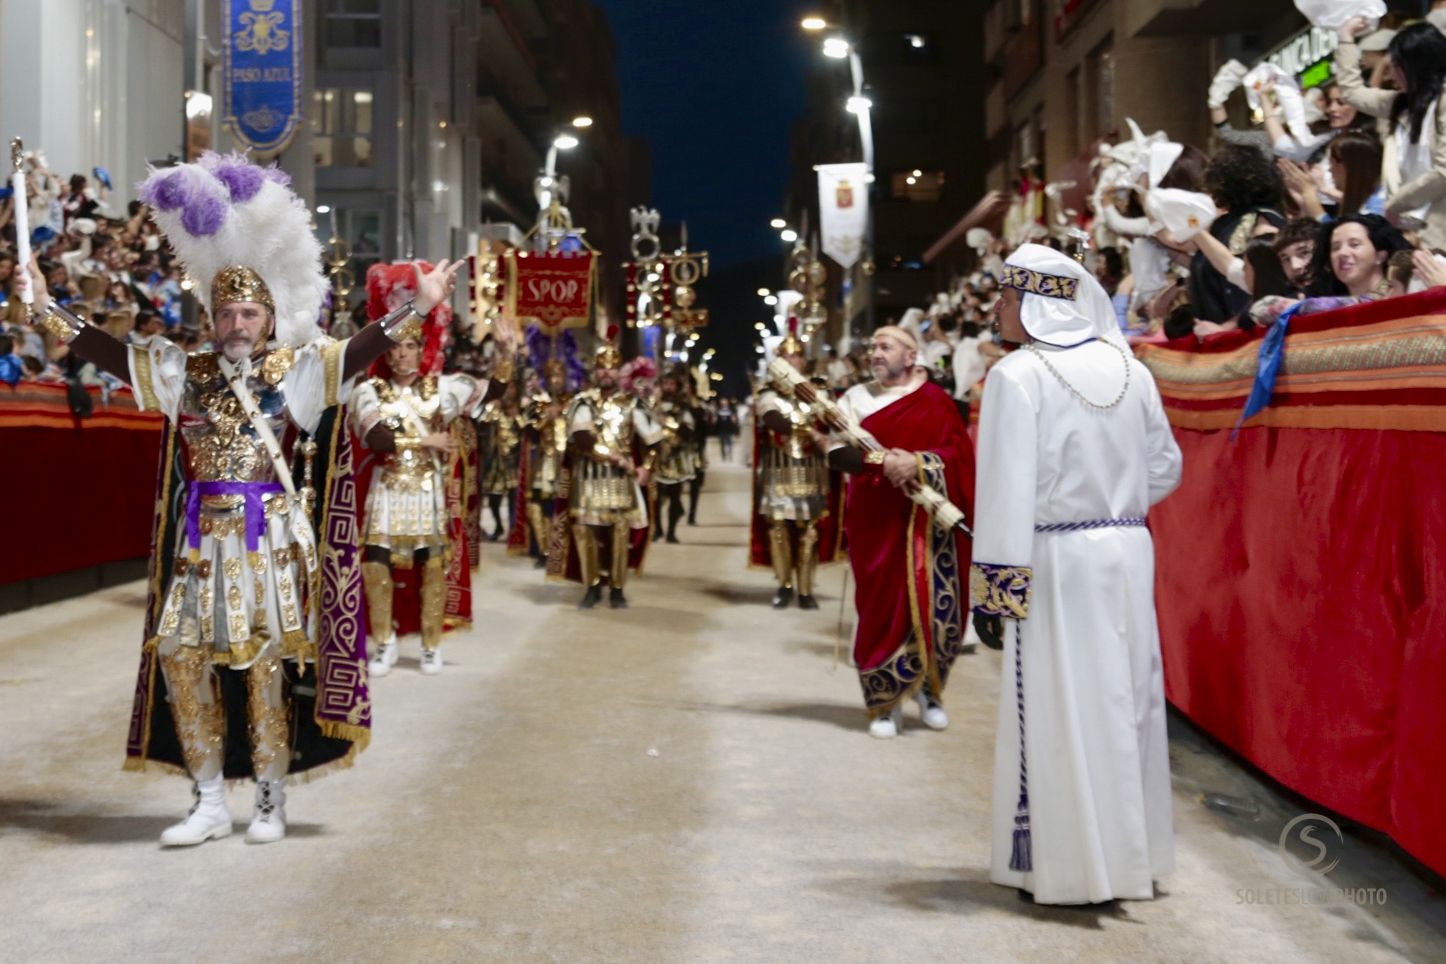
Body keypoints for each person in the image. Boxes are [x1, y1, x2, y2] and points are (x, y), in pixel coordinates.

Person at [23, 152, 463, 847]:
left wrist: (421, 308)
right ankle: (205, 801)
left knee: (263, 667)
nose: (236, 322)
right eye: (226, 311)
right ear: (212, 313)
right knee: (182, 657)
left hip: (267, 540)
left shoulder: (300, 372)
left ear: (268, 316)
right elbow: (111, 355)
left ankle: (269, 796)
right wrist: (46, 311)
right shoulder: (183, 371)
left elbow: (361, 350)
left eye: (249, 311)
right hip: (202, 544)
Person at [970, 242, 1183, 905]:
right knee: (1129, 699)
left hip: (1055, 558)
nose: (998, 308)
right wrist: (1112, 507)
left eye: (1006, 296)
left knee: (1062, 704)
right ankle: (1132, 859)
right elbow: (1165, 468)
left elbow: (1004, 491)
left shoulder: (1017, 377)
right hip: (1126, 550)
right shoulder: (1131, 369)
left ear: (1037, 304)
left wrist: (997, 592)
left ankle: (1068, 868)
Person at [352, 261, 502, 678]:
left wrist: (506, 359)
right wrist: (427, 441)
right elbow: (376, 439)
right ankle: (383, 643)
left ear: (422, 348)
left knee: (432, 565)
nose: (401, 354)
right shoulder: (369, 390)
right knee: (376, 564)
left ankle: (431, 645)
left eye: (410, 346)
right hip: (386, 490)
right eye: (394, 347)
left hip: (427, 492)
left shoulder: (445, 388)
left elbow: (490, 400)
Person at [825, 325, 974, 738]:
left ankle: (929, 691)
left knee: (933, 606)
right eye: (873, 347)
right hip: (876, 520)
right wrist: (881, 463)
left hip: (929, 523)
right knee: (880, 607)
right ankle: (884, 703)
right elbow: (838, 453)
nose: (875, 353)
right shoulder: (855, 399)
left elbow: (959, 456)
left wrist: (919, 463)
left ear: (911, 356)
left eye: (885, 346)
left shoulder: (938, 402)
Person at [548, 333, 662, 609]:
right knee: (586, 531)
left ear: (618, 371)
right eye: (602, 367)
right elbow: (582, 439)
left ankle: (617, 586)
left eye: (611, 367)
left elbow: (655, 440)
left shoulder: (633, 403)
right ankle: (592, 585)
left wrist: (647, 467)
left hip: (621, 483)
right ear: (595, 371)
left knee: (620, 532)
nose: (606, 372)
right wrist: (615, 458)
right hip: (587, 478)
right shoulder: (581, 402)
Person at [750, 325, 842, 609]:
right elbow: (772, 419)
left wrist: (816, 401)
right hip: (779, 469)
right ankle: (784, 585)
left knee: (809, 531)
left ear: (804, 360)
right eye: (786, 358)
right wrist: (807, 427)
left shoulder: (821, 389)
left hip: (812, 469)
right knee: (778, 528)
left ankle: (805, 589)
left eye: (796, 357)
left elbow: (836, 420)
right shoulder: (767, 392)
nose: (792, 362)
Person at [1336, 19, 1446, 251]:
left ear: (1418, 65)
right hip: (1408, 229)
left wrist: (1396, 203)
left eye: (1397, 66)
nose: (1390, 74)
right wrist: (1346, 37)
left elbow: (1444, 171)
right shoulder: (1398, 103)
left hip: (1438, 229)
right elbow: (1351, 92)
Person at [652, 367, 698, 543]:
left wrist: (678, 439)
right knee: (655, 497)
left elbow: (690, 426)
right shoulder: (653, 405)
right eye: (665, 384)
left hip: (675, 457)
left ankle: (671, 531)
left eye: (671, 384)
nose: (668, 387)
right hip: (657, 455)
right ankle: (658, 529)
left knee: (674, 496)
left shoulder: (682, 405)